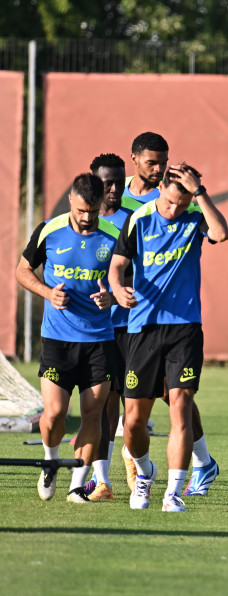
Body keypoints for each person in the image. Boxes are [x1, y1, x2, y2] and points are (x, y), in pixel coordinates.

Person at [109, 163, 228, 512]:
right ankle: (145, 475)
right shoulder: (140, 219)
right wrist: (118, 290)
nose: (174, 210)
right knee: (133, 420)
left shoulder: (195, 215)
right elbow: (117, 265)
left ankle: (173, 494)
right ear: (160, 189)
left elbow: (221, 234)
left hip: (185, 329)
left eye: (183, 202)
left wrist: (200, 194)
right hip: (143, 329)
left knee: (180, 407)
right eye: (170, 202)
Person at [16, 173, 118, 503]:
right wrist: (48, 293)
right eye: (82, 210)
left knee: (93, 414)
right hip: (58, 340)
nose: (88, 218)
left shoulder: (115, 235)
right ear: (71, 200)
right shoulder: (49, 230)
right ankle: (50, 461)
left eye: (94, 211)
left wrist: (112, 298)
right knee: (54, 414)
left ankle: (78, 484)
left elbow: (133, 282)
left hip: (100, 341)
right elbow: (22, 271)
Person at [81, 153, 137, 500]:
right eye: (106, 182)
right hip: (92, 330)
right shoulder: (77, 223)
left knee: (135, 401)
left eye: (119, 181)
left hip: (131, 326)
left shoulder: (136, 220)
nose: (114, 189)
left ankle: (134, 455)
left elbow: (145, 274)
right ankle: (103, 481)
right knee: (102, 404)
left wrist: (116, 297)